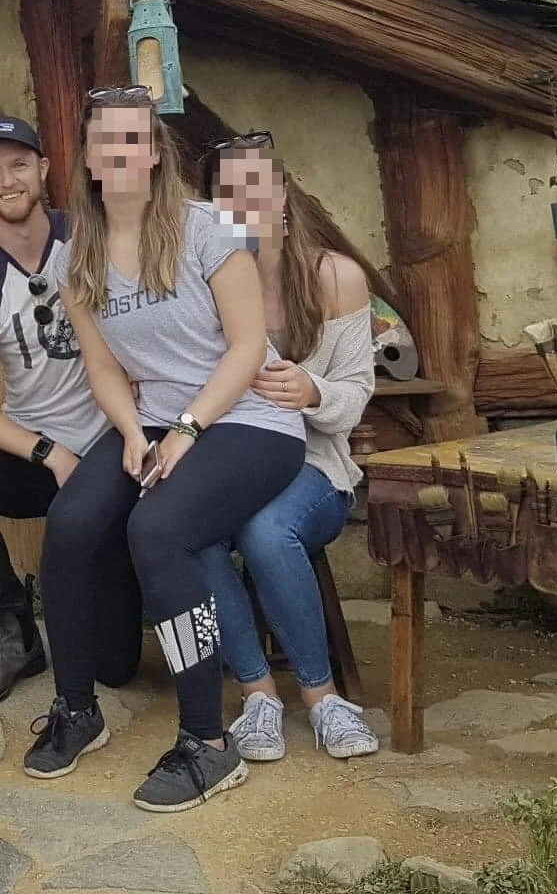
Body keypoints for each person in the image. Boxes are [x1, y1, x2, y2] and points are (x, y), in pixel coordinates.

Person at [27, 88, 305, 812]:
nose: (117, 153)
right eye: (103, 141)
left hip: (248, 419)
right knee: (72, 523)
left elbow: (247, 348)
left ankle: (209, 742)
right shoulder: (78, 257)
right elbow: (103, 368)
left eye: (132, 140)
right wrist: (128, 431)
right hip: (149, 420)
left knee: (158, 531)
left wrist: (186, 429)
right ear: (87, 158)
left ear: (153, 153)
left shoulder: (207, 229)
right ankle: (76, 708)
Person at [0, 115, 143, 709]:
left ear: (44, 171)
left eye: (19, 164)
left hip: (110, 446)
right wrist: (48, 453)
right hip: (40, 457)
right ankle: (15, 629)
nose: (8, 180)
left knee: (115, 668)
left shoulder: (89, 241)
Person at [195, 133, 379, 760]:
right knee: (189, 530)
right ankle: (257, 695)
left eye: (256, 186)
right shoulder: (207, 285)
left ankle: (324, 701)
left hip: (316, 466)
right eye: (227, 194)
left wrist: (312, 390)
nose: (244, 203)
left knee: (267, 529)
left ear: (281, 195)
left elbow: (357, 393)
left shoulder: (337, 278)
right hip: (230, 459)